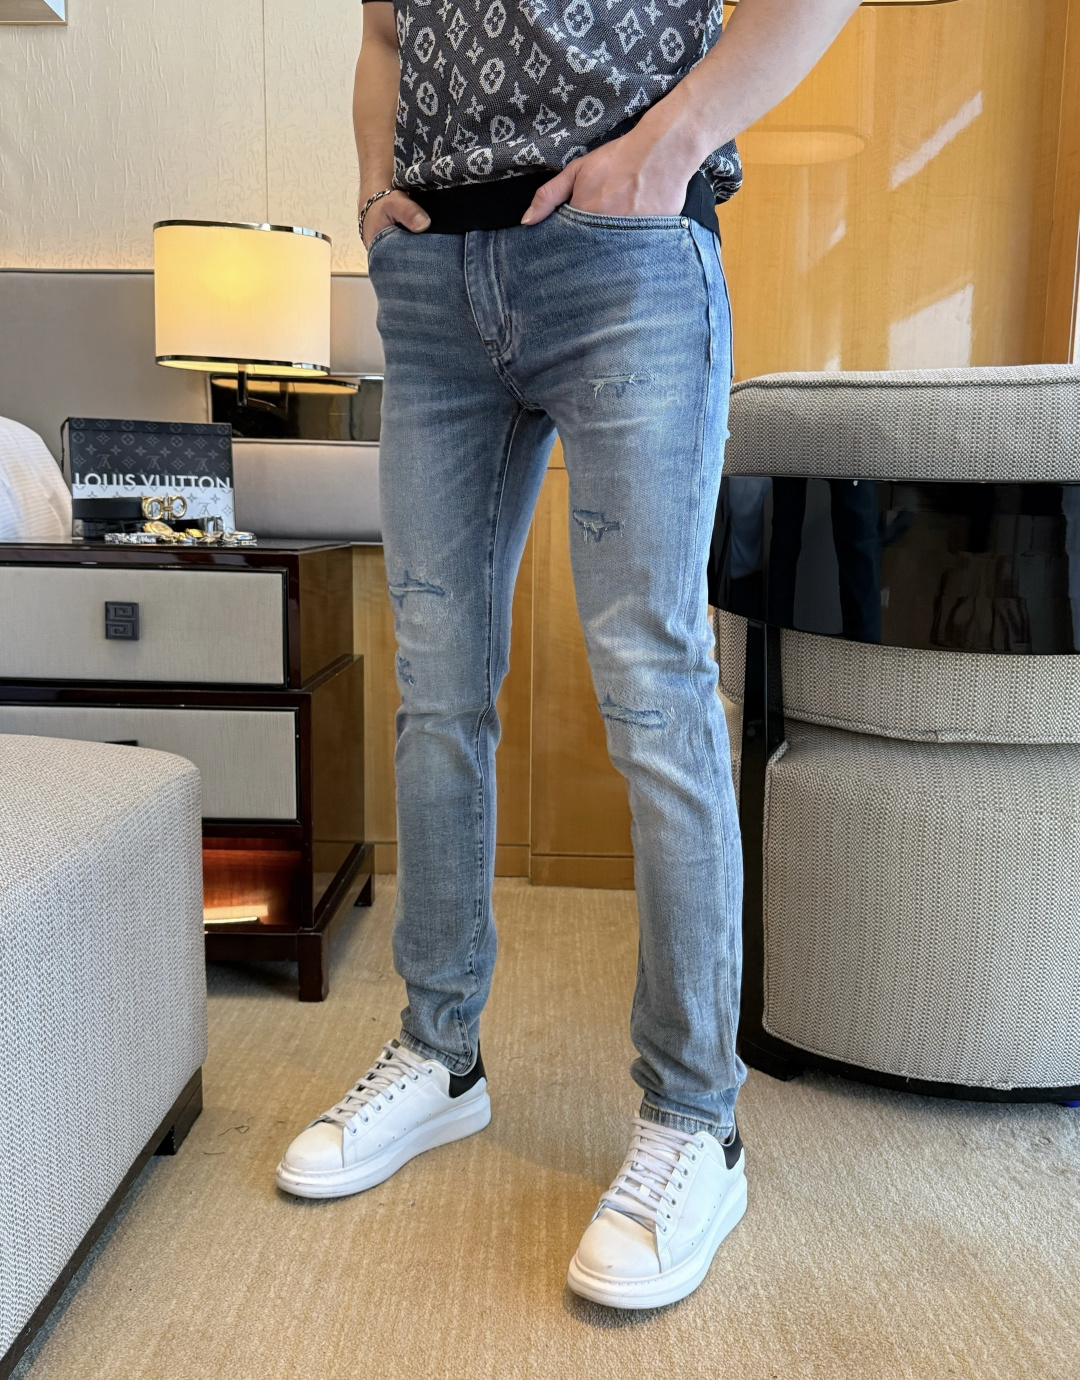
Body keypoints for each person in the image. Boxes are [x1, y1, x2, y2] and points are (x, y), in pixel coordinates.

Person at [277, 0, 860, 1309]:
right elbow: (385, 33)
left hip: (622, 253)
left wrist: (668, 147)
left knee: (654, 687)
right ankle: (440, 1055)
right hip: (433, 279)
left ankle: (696, 1119)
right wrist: (373, 194)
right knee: (435, 689)